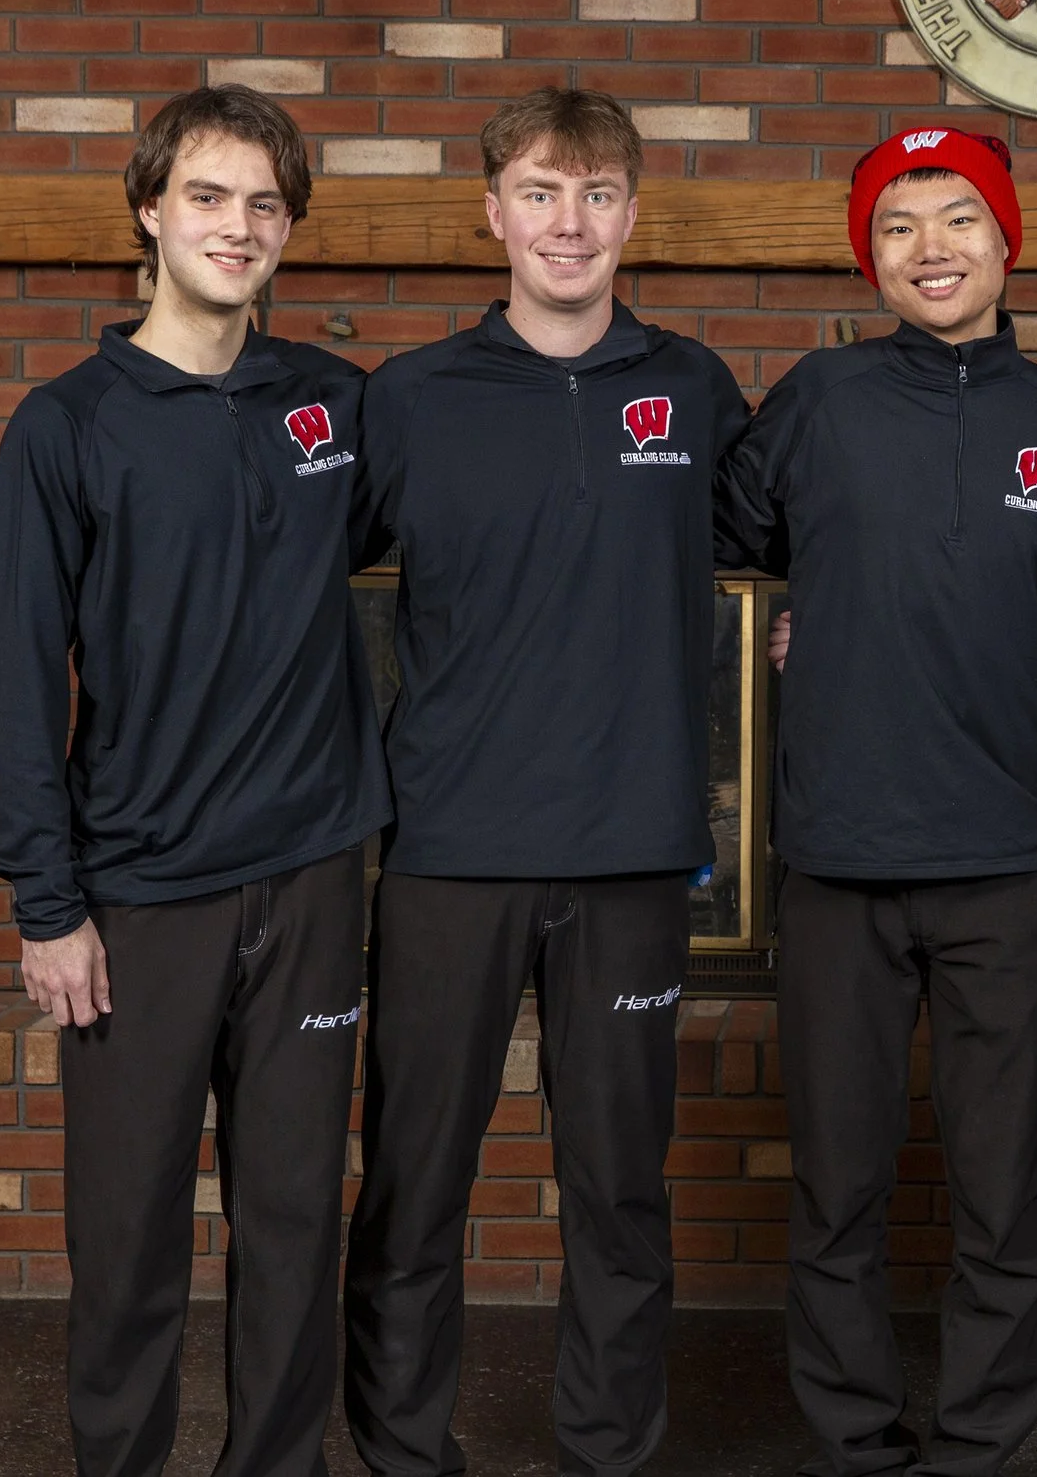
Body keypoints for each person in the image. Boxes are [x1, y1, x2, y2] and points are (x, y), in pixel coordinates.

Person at [341, 88, 750, 1477]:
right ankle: (402, 1448)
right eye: (537, 190)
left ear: (633, 213)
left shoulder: (695, 389)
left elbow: (799, 539)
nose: (565, 222)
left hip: (631, 850)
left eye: (594, 195)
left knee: (620, 1191)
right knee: (413, 1180)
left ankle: (608, 1453)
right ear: (492, 210)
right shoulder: (408, 397)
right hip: (450, 849)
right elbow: (284, 581)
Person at [0, 84, 387, 1477]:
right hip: (138, 893)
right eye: (208, 196)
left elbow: (482, 543)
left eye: (265, 203)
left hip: (315, 874)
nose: (238, 224)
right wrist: (48, 902)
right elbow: (22, 677)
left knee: (291, 1225)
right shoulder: (67, 426)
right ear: (150, 209)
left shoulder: (334, 403)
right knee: (131, 1231)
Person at [717, 126, 1037, 1477]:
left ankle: (983, 1428)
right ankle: (849, 1428)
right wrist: (776, 621)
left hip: (1008, 860)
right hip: (836, 855)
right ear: (869, 258)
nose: (932, 248)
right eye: (899, 226)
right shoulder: (817, 400)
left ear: (1008, 240)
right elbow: (717, 558)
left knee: (1001, 1183)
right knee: (839, 1176)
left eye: (959, 219)